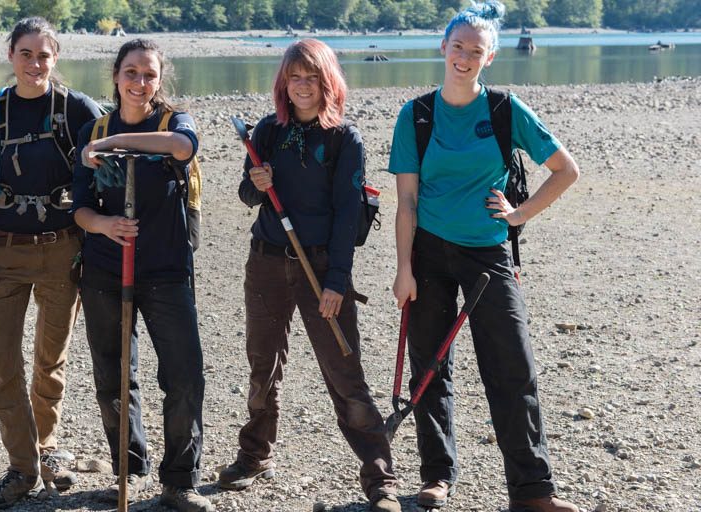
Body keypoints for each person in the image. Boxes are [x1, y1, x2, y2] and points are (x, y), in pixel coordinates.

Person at [387, 2, 580, 511]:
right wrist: (404, 269)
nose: (465, 57)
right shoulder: (416, 115)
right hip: (427, 253)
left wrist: (517, 216)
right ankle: (437, 477)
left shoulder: (504, 110)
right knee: (428, 366)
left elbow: (565, 170)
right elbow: (406, 201)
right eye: (458, 47)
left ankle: (532, 492)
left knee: (513, 366)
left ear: (489, 57)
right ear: (443, 48)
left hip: (488, 254)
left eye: (476, 50)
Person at [219, 39, 401, 512]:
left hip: (320, 266)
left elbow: (346, 214)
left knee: (344, 371)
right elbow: (246, 193)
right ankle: (255, 454)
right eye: (295, 77)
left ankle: (380, 478)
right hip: (267, 261)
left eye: (312, 77)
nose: (303, 86)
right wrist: (256, 185)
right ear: (284, 83)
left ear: (328, 82)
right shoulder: (266, 132)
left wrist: (338, 280)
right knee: (263, 364)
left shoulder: (345, 139)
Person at [0, 16, 103, 511]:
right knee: (4, 364)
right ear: (10, 55)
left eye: (43, 55)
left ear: (55, 58)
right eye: (26, 54)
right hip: (3, 254)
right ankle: (21, 467)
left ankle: (48, 448)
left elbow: (107, 172)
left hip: (63, 250)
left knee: (50, 360)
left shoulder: (78, 109)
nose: (35, 64)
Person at [70, 38, 213, 512]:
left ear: (159, 79)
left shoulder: (172, 121)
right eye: (131, 72)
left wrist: (111, 145)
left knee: (185, 375)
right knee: (113, 378)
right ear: (116, 75)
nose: (139, 82)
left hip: (168, 269)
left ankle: (179, 481)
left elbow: (182, 148)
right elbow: (80, 210)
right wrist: (105, 225)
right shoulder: (94, 129)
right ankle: (128, 472)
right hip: (107, 271)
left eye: (148, 74)